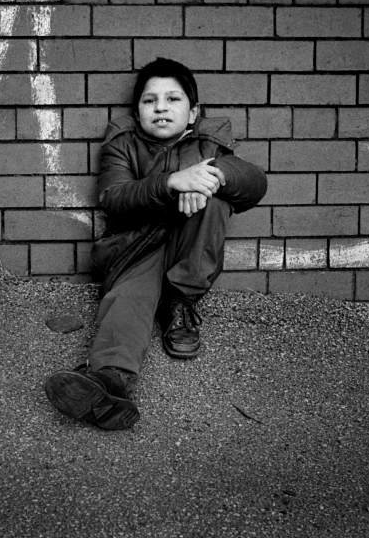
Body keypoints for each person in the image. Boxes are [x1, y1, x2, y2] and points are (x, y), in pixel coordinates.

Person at [44, 57, 268, 430]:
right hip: (137, 249)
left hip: (188, 252)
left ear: (193, 112)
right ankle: (110, 383)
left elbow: (254, 184)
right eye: (150, 101)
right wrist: (172, 182)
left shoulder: (210, 145)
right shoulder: (122, 145)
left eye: (173, 99)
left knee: (215, 198)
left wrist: (209, 175)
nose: (160, 107)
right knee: (128, 300)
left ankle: (180, 300)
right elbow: (114, 196)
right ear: (138, 111)